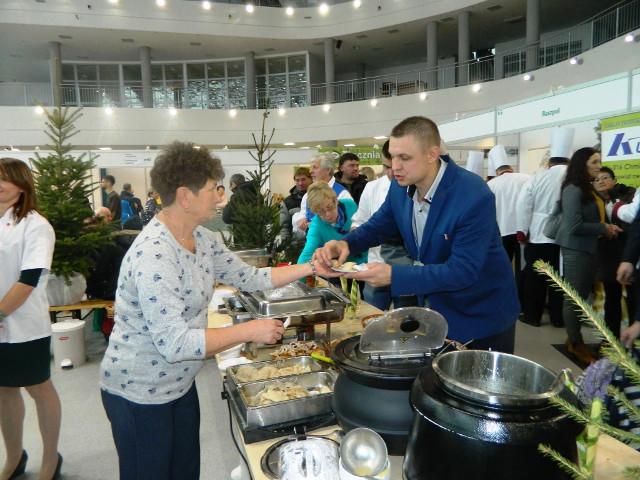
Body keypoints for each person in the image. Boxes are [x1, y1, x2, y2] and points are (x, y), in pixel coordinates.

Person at [99, 142, 318, 480]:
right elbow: (174, 344)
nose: (220, 196)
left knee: (186, 471)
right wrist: (249, 330)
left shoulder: (202, 238)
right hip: (140, 392)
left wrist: (311, 267)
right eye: (214, 188)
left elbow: (251, 277)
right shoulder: (155, 255)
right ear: (185, 196)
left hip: (179, 385)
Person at [314, 116, 520, 353]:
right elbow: (380, 225)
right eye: (392, 157)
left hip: (481, 316)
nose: (395, 167)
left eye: (404, 158)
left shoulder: (472, 194)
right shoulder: (400, 186)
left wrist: (394, 276)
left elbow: (463, 271)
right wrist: (346, 244)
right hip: (434, 313)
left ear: (432, 154)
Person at [0, 158, 63, 480]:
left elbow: (29, 279)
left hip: (25, 326)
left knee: (39, 388)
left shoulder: (36, 225)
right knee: (4, 390)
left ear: (22, 184)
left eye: (5, 178)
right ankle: (14, 457)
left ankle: (50, 459)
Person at [555, 147, 622, 365]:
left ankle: (573, 339)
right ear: (582, 164)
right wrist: (603, 228)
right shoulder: (573, 189)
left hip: (589, 248)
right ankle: (575, 343)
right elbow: (573, 225)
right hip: (576, 250)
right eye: (594, 162)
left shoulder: (587, 188)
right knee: (574, 298)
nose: (598, 166)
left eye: (599, 162)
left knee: (581, 297)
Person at [516, 126, 574, 328]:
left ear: (550, 161)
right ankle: (558, 318)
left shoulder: (538, 177)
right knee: (559, 280)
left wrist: (522, 230)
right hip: (564, 236)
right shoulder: (573, 177)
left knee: (536, 279)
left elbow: (524, 205)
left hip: (538, 234)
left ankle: (532, 316)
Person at [351, 140, 414, 310]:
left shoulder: (413, 189)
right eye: (386, 167)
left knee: (405, 315)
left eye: (394, 167)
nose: (391, 172)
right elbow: (360, 221)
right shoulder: (372, 188)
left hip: (405, 270)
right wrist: (354, 239)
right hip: (375, 266)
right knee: (372, 314)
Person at [594, 167, 636, 339]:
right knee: (611, 298)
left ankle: (633, 340)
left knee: (633, 297)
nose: (601, 182)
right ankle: (611, 339)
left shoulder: (628, 194)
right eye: (597, 180)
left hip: (629, 253)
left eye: (605, 178)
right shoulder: (593, 201)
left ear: (614, 180)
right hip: (607, 255)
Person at [486, 145, 530, 305]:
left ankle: (503, 300)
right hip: (524, 231)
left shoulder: (491, 185)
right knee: (523, 268)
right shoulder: (526, 178)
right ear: (511, 167)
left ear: (497, 170)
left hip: (502, 232)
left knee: (502, 269)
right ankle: (522, 302)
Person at [297, 182, 365, 265]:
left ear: (336, 200)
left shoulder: (350, 205)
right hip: (344, 267)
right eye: (321, 211)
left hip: (367, 259)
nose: (328, 214)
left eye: (330, 207)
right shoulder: (316, 226)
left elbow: (364, 229)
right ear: (315, 212)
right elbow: (305, 256)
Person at [292, 154, 353, 235]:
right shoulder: (308, 194)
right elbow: (304, 215)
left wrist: (319, 225)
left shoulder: (342, 194)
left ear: (328, 170)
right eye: (311, 168)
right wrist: (300, 220)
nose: (310, 171)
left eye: (315, 167)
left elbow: (349, 223)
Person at [280, 167, 312, 241]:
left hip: (318, 242)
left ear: (311, 179)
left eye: (303, 179)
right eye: (297, 180)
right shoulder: (287, 202)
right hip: (297, 244)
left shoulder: (319, 196)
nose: (300, 183)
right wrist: (286, 244)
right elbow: (284, 227)